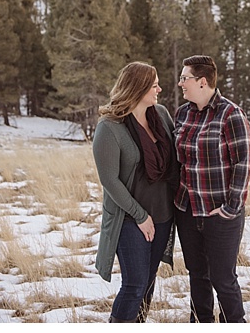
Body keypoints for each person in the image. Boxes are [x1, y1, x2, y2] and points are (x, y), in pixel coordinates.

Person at [92, 62, 177, 322]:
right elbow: (110, 180)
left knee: (148, 283)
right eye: (153, 86)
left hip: (163, 214)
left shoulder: (160, 114)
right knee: (135, 284)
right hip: (129, 219)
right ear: (138, 88)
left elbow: (176, 158)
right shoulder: (110, 127)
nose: (159, 89)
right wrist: (140, 216)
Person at [173, 55, 250, 322]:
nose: (180, 83)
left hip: (220, 214)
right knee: (197, 275)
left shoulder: (231, 114)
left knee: (223, 279)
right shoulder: (182, 113)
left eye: (185, 78)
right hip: (188, 211)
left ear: (202, 81)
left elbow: (243, 162)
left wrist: (231, 208)